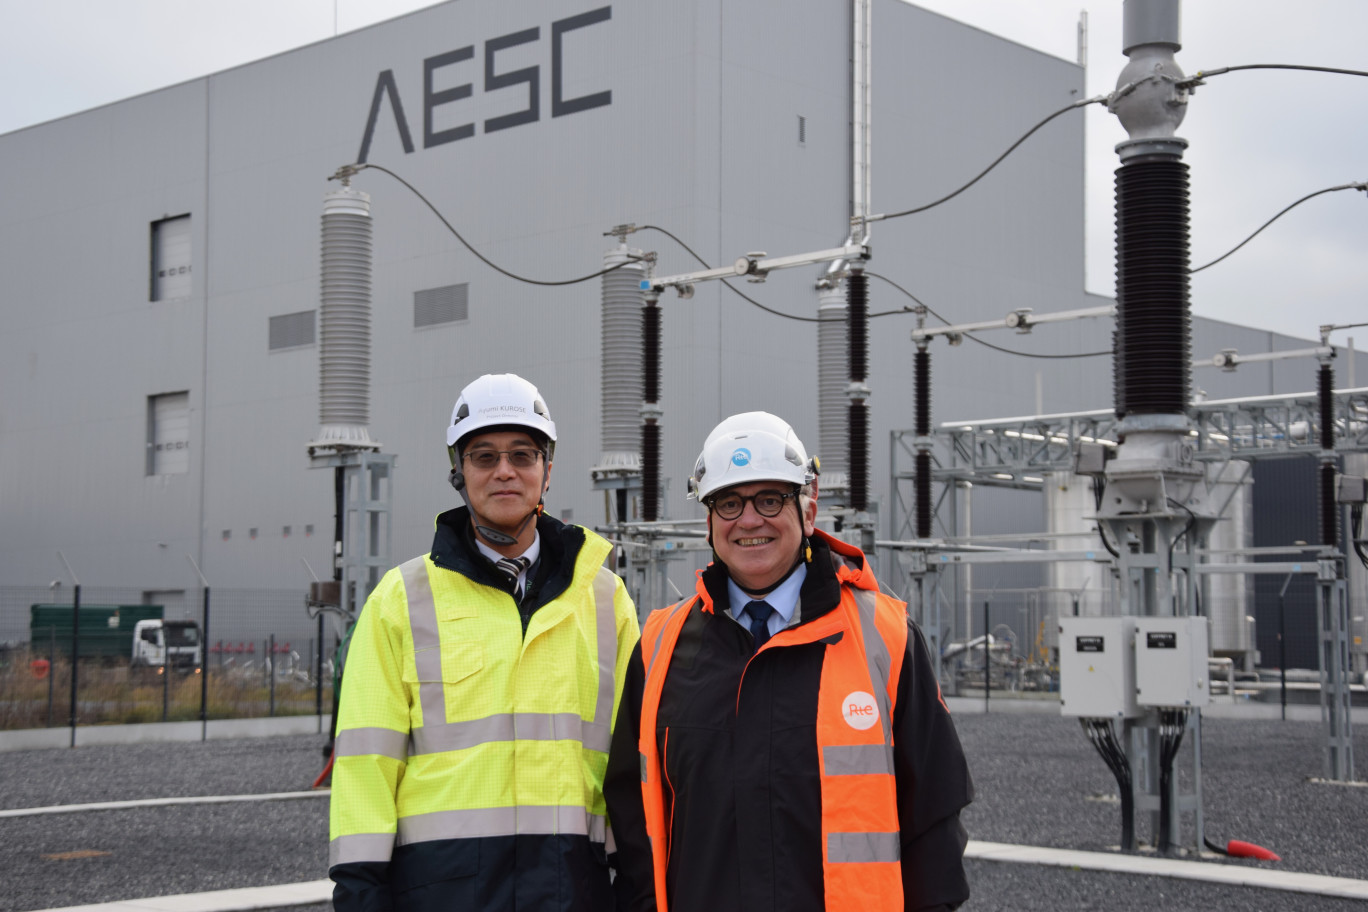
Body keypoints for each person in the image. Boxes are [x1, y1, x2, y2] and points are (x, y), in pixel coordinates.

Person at [605, 411, 972, 912]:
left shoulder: (884, 638)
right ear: (709, 520)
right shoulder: (659, 646)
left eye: (770, 499)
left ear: (809, 508)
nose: (750, 520)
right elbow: (632, 820)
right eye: (729, 503)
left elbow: (934, 816)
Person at [329, 372, 640, 912]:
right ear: (459, 472)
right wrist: (360, 891)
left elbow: (633, 764)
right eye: (483, 456)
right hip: (441, 893)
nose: (504, 472)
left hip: (572, 890)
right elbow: (365, 764)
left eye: (522, 455)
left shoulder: (606, 600)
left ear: (547, 470)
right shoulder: (400, 601)